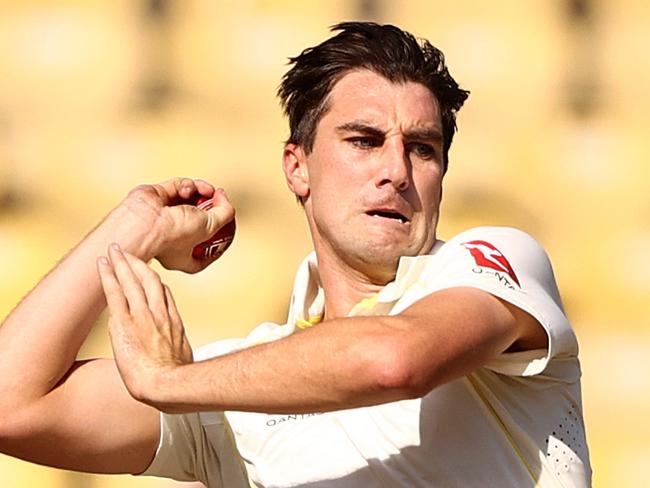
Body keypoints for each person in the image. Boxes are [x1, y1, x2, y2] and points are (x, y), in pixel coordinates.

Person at [0, 21, 591, 487]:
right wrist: (132, 224)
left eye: (423, 148)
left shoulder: (498, 263)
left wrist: (167, 381)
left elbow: (393, 362)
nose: (396, 171)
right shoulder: (228, 390)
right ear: (297, 166)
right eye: (364, 141)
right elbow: (11, 407)